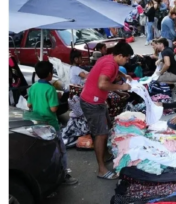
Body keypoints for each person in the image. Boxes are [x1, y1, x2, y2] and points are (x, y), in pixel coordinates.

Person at [80, 41, 133, 180]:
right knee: (101, 134)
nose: (127, 62)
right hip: (92, 102)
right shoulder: (110, 64)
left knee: (106, 128)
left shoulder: (109, 58)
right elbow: (102, 84)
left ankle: (106, 154)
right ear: (120, 55)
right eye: (126, 59)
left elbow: (111, 71)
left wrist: (122, 75)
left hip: (96, 100)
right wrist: (121, 87)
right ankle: (101, 170)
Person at [27, 61, 78, 185]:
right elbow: (54, 109)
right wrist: (58, 98)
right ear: (50, 74)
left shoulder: (33, 87)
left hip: (37, 124)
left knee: (44, 152)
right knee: (60, 150)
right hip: (51, 125)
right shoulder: (50, 89)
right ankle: (64, 175)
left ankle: (46, 176)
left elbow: (29, 105)